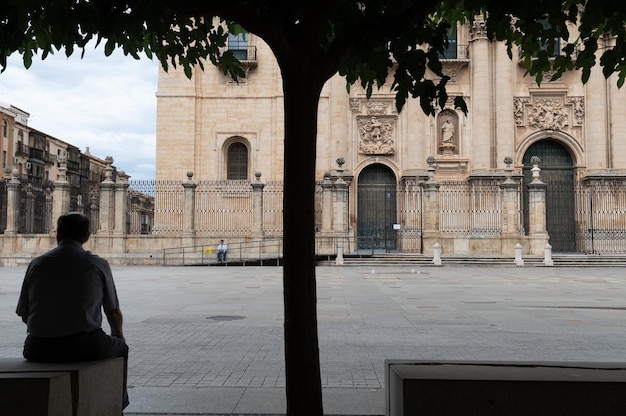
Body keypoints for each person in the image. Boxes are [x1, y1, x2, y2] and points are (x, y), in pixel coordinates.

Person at [16, 212, 129, 411]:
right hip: (84, 346)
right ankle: (117, 404)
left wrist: (50, 329)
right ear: (87, 236)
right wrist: (118, 337)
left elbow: (25, 314)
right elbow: (113, 312)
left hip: (37, 349)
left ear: (57, 234)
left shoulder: (37, 264)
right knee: (121, 348)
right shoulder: (97, 264)